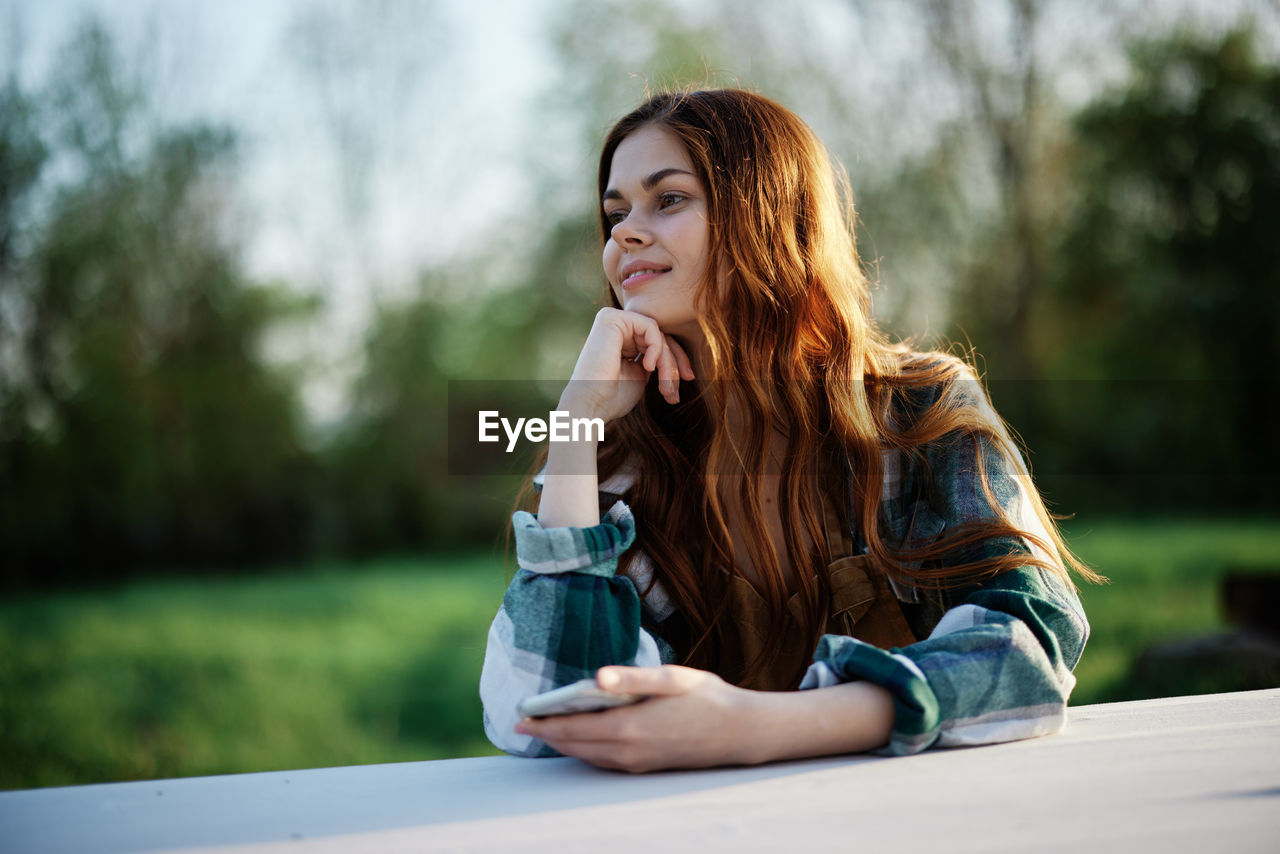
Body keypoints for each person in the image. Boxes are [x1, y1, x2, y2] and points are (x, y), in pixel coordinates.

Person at [479, 89, 1097, 772]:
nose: (622, 234)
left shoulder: (920, 410)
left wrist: (755, 727)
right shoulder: (623, 457)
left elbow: (1031, 648)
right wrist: (574, 429)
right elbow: (549, 711)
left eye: (670, 199)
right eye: (616, 212)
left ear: (768, 216)